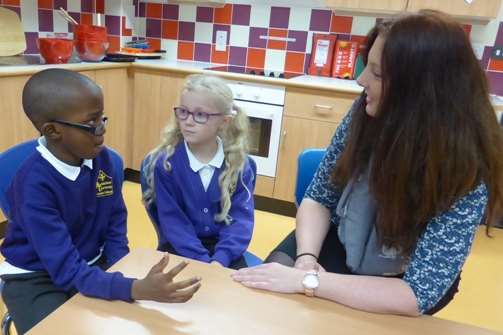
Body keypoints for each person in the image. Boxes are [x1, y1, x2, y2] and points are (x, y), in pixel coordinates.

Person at [232, 10, 503, 316]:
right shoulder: (365, 112)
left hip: (400, 276)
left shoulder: (468, 168)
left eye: (377, 73)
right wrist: (306, 259)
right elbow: (319, 197)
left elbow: (417, 294)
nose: (361, 81)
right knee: (274, 298)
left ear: (421, 90)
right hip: (338, 239)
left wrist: (308, 282)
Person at [0, 69, 201, 334]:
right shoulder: (33, 186)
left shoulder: (105, 160)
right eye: (92, 123)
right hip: (37, 278)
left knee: (140, 322)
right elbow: (66, 270)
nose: (102, 131)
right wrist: (133, 288)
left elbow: (115, 222)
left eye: (102, 119)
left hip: (89, 264)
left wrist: (120, 266)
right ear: (53, 131)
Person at [142, 74, 255, 270]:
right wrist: (204, 263)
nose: (188, 121)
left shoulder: (240, 165)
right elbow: (173, 224)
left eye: (201, 115)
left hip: (226, 253)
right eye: (183, 112)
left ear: (224, 121)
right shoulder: (165, 164)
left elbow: (240, 222)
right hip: (180, 250)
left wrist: (220, 260)